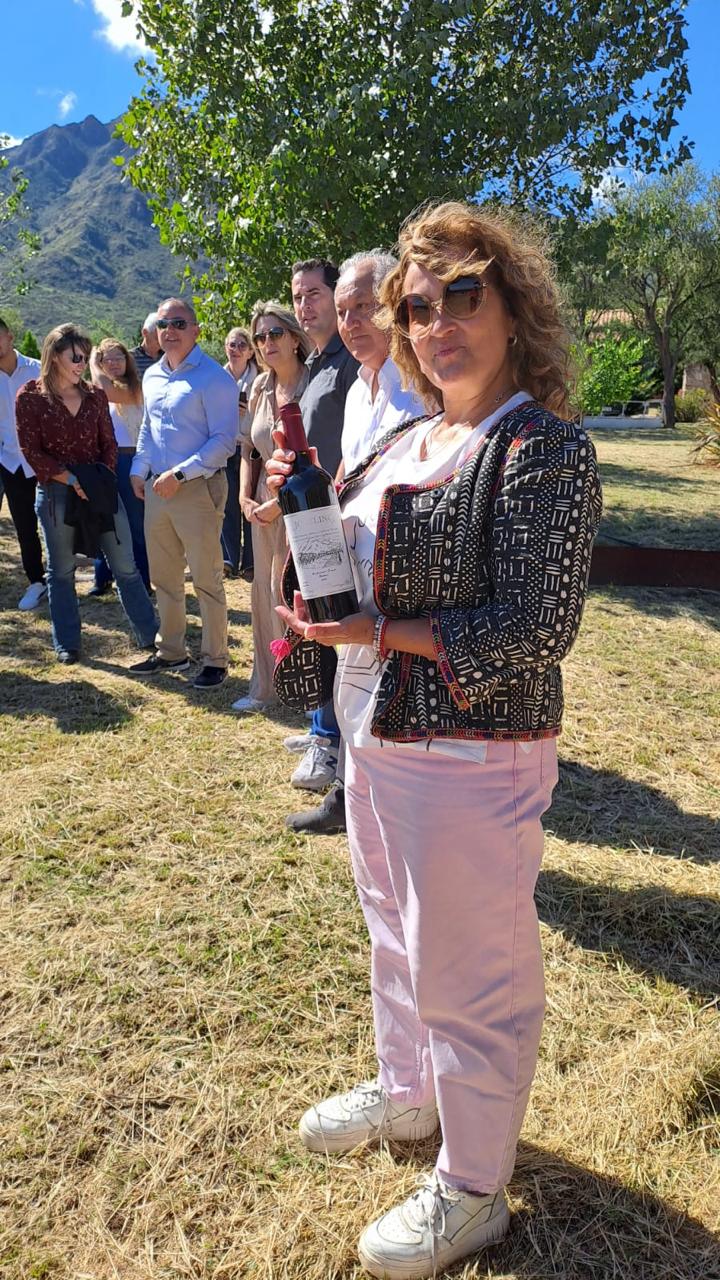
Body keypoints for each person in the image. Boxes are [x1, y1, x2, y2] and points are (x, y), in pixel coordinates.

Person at [268, 202, 602, 1280]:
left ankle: (474, 1184)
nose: (437, 321)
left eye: (464, 294)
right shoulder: (406, 438)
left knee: (470, 968)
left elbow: (534, 627)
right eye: (419, 306)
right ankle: (410, 1093)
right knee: (395, 933)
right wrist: (296, 523)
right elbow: (347, 565)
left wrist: (379, 632)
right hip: (374, 727)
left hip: (470, 746)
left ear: (513, 306)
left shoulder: (542, 447)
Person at [284, 249, 427, 835]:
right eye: (343, 311)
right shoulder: (360, 390)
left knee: (391, 697)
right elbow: (352, 473)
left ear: (395, 303)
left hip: (405, 575)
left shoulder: (423, 384)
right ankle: (352, 798)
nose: (351, 322)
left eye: (365, 307)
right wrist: (304, 483)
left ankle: (384, 809)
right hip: (355, 567)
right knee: (355, 691)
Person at [15, 324, 158, 664]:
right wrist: (69, 479)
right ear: (54, 356)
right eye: (75, 357)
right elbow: (31, 451)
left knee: (125, 566)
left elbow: (109, 444)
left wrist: (96, 480)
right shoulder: (29, 396)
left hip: (100, 489)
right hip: (55, 493)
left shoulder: (95, 395)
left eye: (85, 357)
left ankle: (152, 637)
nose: (82, 364)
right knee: (61, 571)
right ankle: (67, 643)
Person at [129, 298, 237, 689]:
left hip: (197, 487)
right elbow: (148, 428)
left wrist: (179, 473)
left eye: (178, 323)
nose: (170, 330)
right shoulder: (152, 376)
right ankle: (171, 651)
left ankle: (215, 660)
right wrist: (138, 468)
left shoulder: (214, 378)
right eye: (163, 324)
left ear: (196, 330)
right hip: (158, 487)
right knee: (164, 576)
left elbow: (224, 441)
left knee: (206, 578)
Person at [285, 258, 360, 794]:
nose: (303, 305)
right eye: (297, 296)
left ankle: (329, 743)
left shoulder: (352, 361)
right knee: (316, 620)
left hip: (344, 517)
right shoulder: (315, 363)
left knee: (337, 629)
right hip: (311, 516)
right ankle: (320, 725)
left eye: (313, 293)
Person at [230, 303, 313, 713]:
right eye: (260, 337)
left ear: (295, 337)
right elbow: (249, 447)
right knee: (263, 594)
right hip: (262, 503)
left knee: (300, 592)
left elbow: (318, 453)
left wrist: (276, 505)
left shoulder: (316, 382)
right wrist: (244, 495)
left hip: (304, 501)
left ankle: (309, 691)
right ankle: (266, 686)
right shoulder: (260, 386)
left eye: (275, 333)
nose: (266, 343)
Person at [89, 338, 151, 594]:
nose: (113, 363)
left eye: (118, 358)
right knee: (103, 520)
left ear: (128, 360)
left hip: (130, 460)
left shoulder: (135, 388)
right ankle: (102, 577)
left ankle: (143, 579)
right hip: (103, 461)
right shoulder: (92, 391)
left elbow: (108, 390)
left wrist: (94, 363)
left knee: (135, 523)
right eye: (107, 359)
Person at [0, 317, 46, 610]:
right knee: (24, 526)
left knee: (56, 523)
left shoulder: (37, 370)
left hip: (44, 460)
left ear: (10, 336)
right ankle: (37, 582)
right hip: (10, 462)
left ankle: (61, 578)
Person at [222, 326, 257, 580]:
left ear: (251, 352)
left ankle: (251, 562)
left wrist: (248, 412)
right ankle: (228, 559)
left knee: (250, 503)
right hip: (224, 447)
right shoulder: (216, 378)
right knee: (228, 506)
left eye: (242, 345)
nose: (236, 350)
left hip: (251, 447)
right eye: (232, 344)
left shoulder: (260, 379)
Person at [130, 311, 161, 380]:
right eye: (157, 335)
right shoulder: (130, 357)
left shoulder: (168, 357)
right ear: (145, 333)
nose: (162, 339)